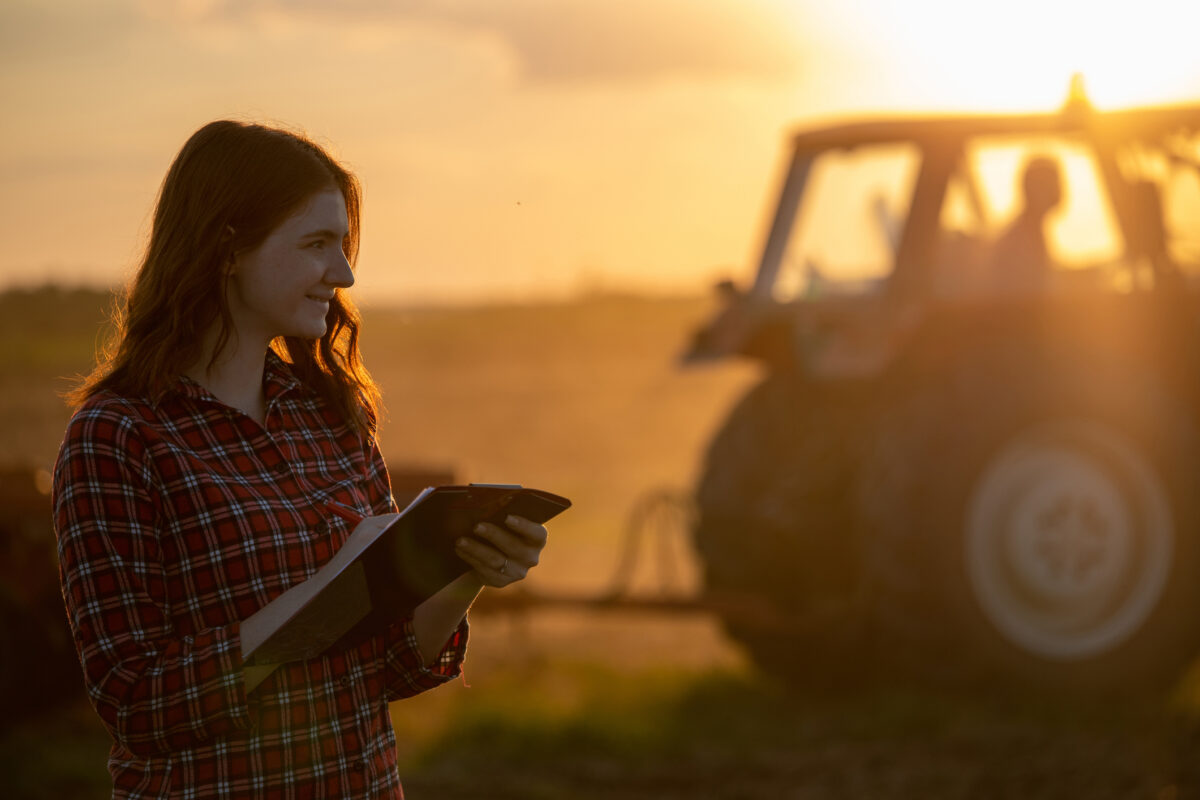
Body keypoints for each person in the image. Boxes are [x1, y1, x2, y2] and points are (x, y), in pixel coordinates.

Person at [52, 120, 550, 798]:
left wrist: (464, 574)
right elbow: (137, 704)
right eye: (317, 244)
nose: (343, 274)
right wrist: (331, 592)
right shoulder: (118, 437)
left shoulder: (333, 416)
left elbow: (394, 668)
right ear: (226, 248)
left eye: (342, 246)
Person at [988, 155, 1064, 291]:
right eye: (1054, 182)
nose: (1060, 190)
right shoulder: (1017, 241)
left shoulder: (1032, 231)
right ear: (1033, 188)